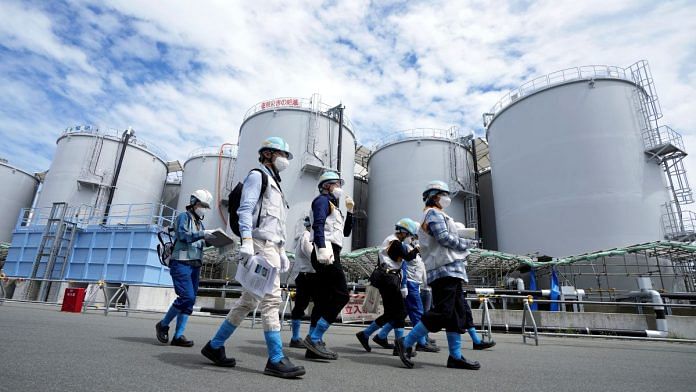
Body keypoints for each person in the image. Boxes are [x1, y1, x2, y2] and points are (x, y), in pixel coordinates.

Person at [201, 137, 305, 379]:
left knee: (248, 302)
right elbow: (245, 209)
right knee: (271, 300)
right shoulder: (258, 176)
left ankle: (215, 346)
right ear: (268, 154)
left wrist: (281, 250)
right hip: (258, 245)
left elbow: (275, 224)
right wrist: (246, 240)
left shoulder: (276, 185)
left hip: (270, 247)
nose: (285, 160)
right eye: (282, 154)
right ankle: (276, 358)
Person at [395, 180, 494, 371]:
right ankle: (406, 343)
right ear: (434, 196)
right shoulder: (432, 214)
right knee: (443, 311)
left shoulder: (438, 214)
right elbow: (443, 238)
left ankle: (455, 357)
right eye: (444, 194)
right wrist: (467, 243)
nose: (447, 198)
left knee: (456, 314)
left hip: (452, 270)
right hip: (443, 270)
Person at [303, 171, 354, 360]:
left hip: (332, 251)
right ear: (326, 185)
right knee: (342, 295)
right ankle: (314, 337)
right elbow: (318, 225)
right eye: (336, 183)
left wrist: (350, 212)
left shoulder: (335, 207)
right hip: (326, 251)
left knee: (324, 299)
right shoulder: (321, 200)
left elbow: (346, 232)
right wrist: (322, 247)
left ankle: (312, 347)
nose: (340, 187)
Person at [155, 189, 214, 347]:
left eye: (206, 206)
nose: (204, 208)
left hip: (195, 264)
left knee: (190, 301)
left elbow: (200, 242)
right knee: (186, 297)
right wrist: (202, 234)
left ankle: (178, 336)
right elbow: (183, 236)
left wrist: (213, 240)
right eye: (203, 205)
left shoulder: (199, 223)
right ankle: (163, 324)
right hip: (181, 262)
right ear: (194, 203)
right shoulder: (183, 217)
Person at [356, 218, 419, 355]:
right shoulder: (395, 243)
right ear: (402, 231)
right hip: (389, 279)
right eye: (408, 234)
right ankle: (399, 346)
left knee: (391, 313)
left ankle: (365, 334)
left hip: (386, 279)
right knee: (400, 312)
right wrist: (417, 248)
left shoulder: (389, 240)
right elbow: (408, 257)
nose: (408, 237)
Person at [288, 216, 317, 348]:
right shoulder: (306, 236)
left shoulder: (311, 237)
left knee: (316, 306)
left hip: (311, 276)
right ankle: (296, 338)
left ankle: (311, 337)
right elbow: (312, 255)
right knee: (301, 305)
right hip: (306, 276)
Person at [402, 252, 440, 352]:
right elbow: (404, 266)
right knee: (418, 313)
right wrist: (403, 285)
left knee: (401, 315)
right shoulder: (407, 250)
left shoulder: (418, 256)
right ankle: (420, 342)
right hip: (413, 285)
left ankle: (378, 336)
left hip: (417, 285)